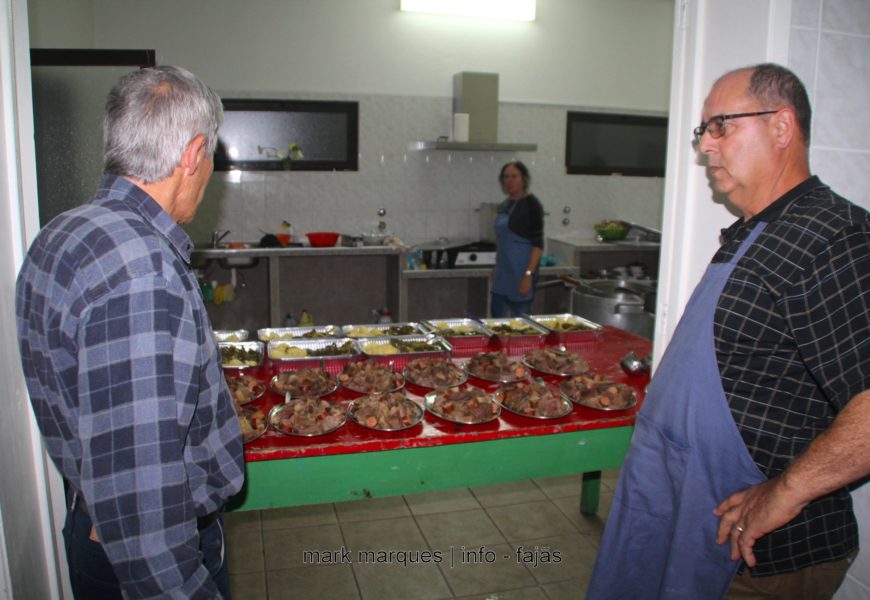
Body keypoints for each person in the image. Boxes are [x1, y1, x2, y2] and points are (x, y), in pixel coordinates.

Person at [588, 63, 870, 599]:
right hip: (686, 515)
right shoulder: (755, 232)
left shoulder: (834, 238)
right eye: (704, 131)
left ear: (782, 127)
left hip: (761, 554)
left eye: (721, 126)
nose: (705, 148)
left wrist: (784, 492)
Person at [16, 66, 245, 599]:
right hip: (147, 564)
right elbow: (142, 500)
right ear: (192, 155)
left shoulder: (66, 231)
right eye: (209, 157)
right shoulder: (142, 273)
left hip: (95, 525)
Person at [490, 160, 544, 317]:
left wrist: (528, 275)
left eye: (514, 176)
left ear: (524, 179)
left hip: (521, 274)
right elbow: (502, 241)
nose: (509, 181)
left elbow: (538, 245)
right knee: (496, 323)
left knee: (520, 328)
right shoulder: (504, 204)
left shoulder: (532, 205)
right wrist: (496, 267)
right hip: (502, 274)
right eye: (506, 177)